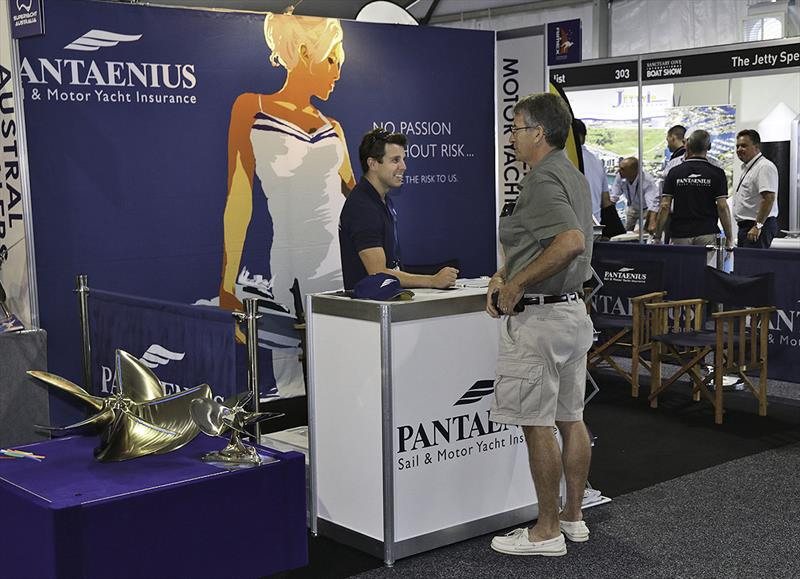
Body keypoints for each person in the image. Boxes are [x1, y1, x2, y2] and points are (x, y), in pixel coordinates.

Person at [217, 13, 356, 397]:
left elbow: (356, 202)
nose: (338, 73)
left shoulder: (334, 127)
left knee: (345, 375)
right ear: (306, 51)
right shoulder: (251, 108)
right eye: (332, 60)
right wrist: (226, 286)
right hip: (288, 271)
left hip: (339, 272)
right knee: (292, 385)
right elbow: (239, 198)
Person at [487, 93, 594, 557]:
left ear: (538, 133)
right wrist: (506, 274)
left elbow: (569, 241)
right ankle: (572, 517)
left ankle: (546, 531)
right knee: (571, 419)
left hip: (543, 318)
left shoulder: (544, 178)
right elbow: (550, 241)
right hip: (571, 313)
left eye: (516, 127)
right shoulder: (572, 175)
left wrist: (517, 285)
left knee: (537, 424)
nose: (511, 136)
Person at [338, 128, 459, 290]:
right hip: (367, 309)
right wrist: (432, 281)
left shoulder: (381, 199)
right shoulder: (362, 207)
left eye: (403, 159)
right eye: (395, 160)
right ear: (373, 163)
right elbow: (378, 273)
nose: (403, 166)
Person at [653, 130, 733, 248]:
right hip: (707, 232)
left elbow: (665, 206)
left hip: (680, 233)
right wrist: (729, 237)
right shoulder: (717, 173)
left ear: (687, 146)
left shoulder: (674, 172)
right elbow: (722, 206)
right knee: (707, 266)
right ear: (709, 147)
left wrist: (658, 236)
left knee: (681, 266)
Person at [732, 129, 779, 248]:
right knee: (744, 264)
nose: (739, 150)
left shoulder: (764, 167)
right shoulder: (748, 167)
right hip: (747, 227)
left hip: (757, 227)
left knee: (753, 265)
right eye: (737, 146)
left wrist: (757, 226)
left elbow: (769, 198)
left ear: (756, 146)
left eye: (743, 146)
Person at [574, 119, 611, 222]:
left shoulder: (565, 159)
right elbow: (606, 200)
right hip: (595, 223)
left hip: (572, 224)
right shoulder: (598, 162)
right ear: (584, 137)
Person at [611, 157, 659, 233]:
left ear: (633, 171)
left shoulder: (647, 180)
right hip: (632, 207)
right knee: (625, 232)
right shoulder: (620, 176)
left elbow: (652, 205)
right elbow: (614, 196)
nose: (619, 170)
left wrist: (649, 224)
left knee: (643, 233)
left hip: (646, 209)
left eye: (622, 169)